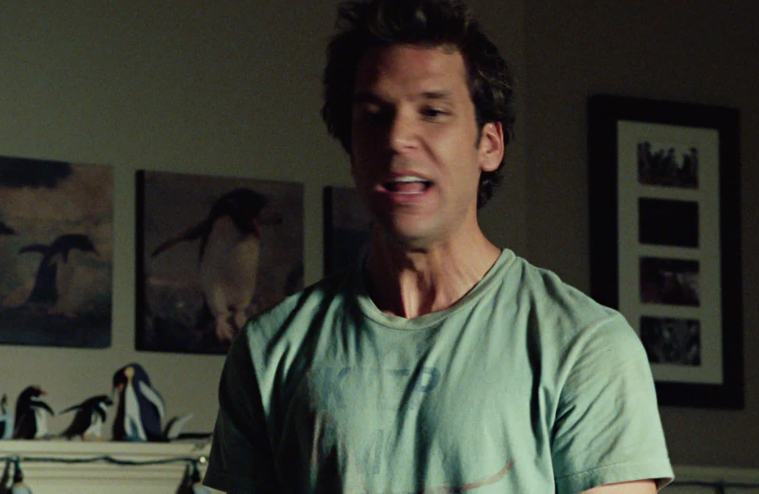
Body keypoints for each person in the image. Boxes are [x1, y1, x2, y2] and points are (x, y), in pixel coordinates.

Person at [204, 0, 674, 492]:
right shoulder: (270, 348)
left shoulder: (585, 345)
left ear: (489, 144)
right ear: (352, 149)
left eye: (432, 112)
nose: (398, 138)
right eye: (374, 116)